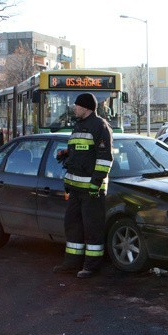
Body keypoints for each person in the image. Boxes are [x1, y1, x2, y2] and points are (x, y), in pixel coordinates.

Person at [53, 93, 114, 278]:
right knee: (72, 226)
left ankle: (91, 267)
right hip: (76, 189)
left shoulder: (100, 126)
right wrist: (65, 154)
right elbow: (79, 152)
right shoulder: (78, 126)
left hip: (91, 190)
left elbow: (105, 159)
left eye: (77, 106)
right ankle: (71, 264)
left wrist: (95, 184)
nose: (74, 108)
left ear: (86, 108)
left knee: (92, 228)